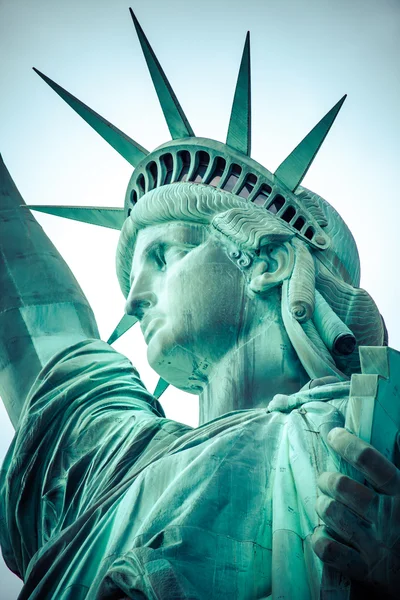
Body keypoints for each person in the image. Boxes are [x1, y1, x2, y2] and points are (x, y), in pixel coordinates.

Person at [0, 11, 399, 599]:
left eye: (164, 255)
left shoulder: (381, 440)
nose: (133, 301)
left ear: (267, 261)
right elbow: (33, 319)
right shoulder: (113, 469)